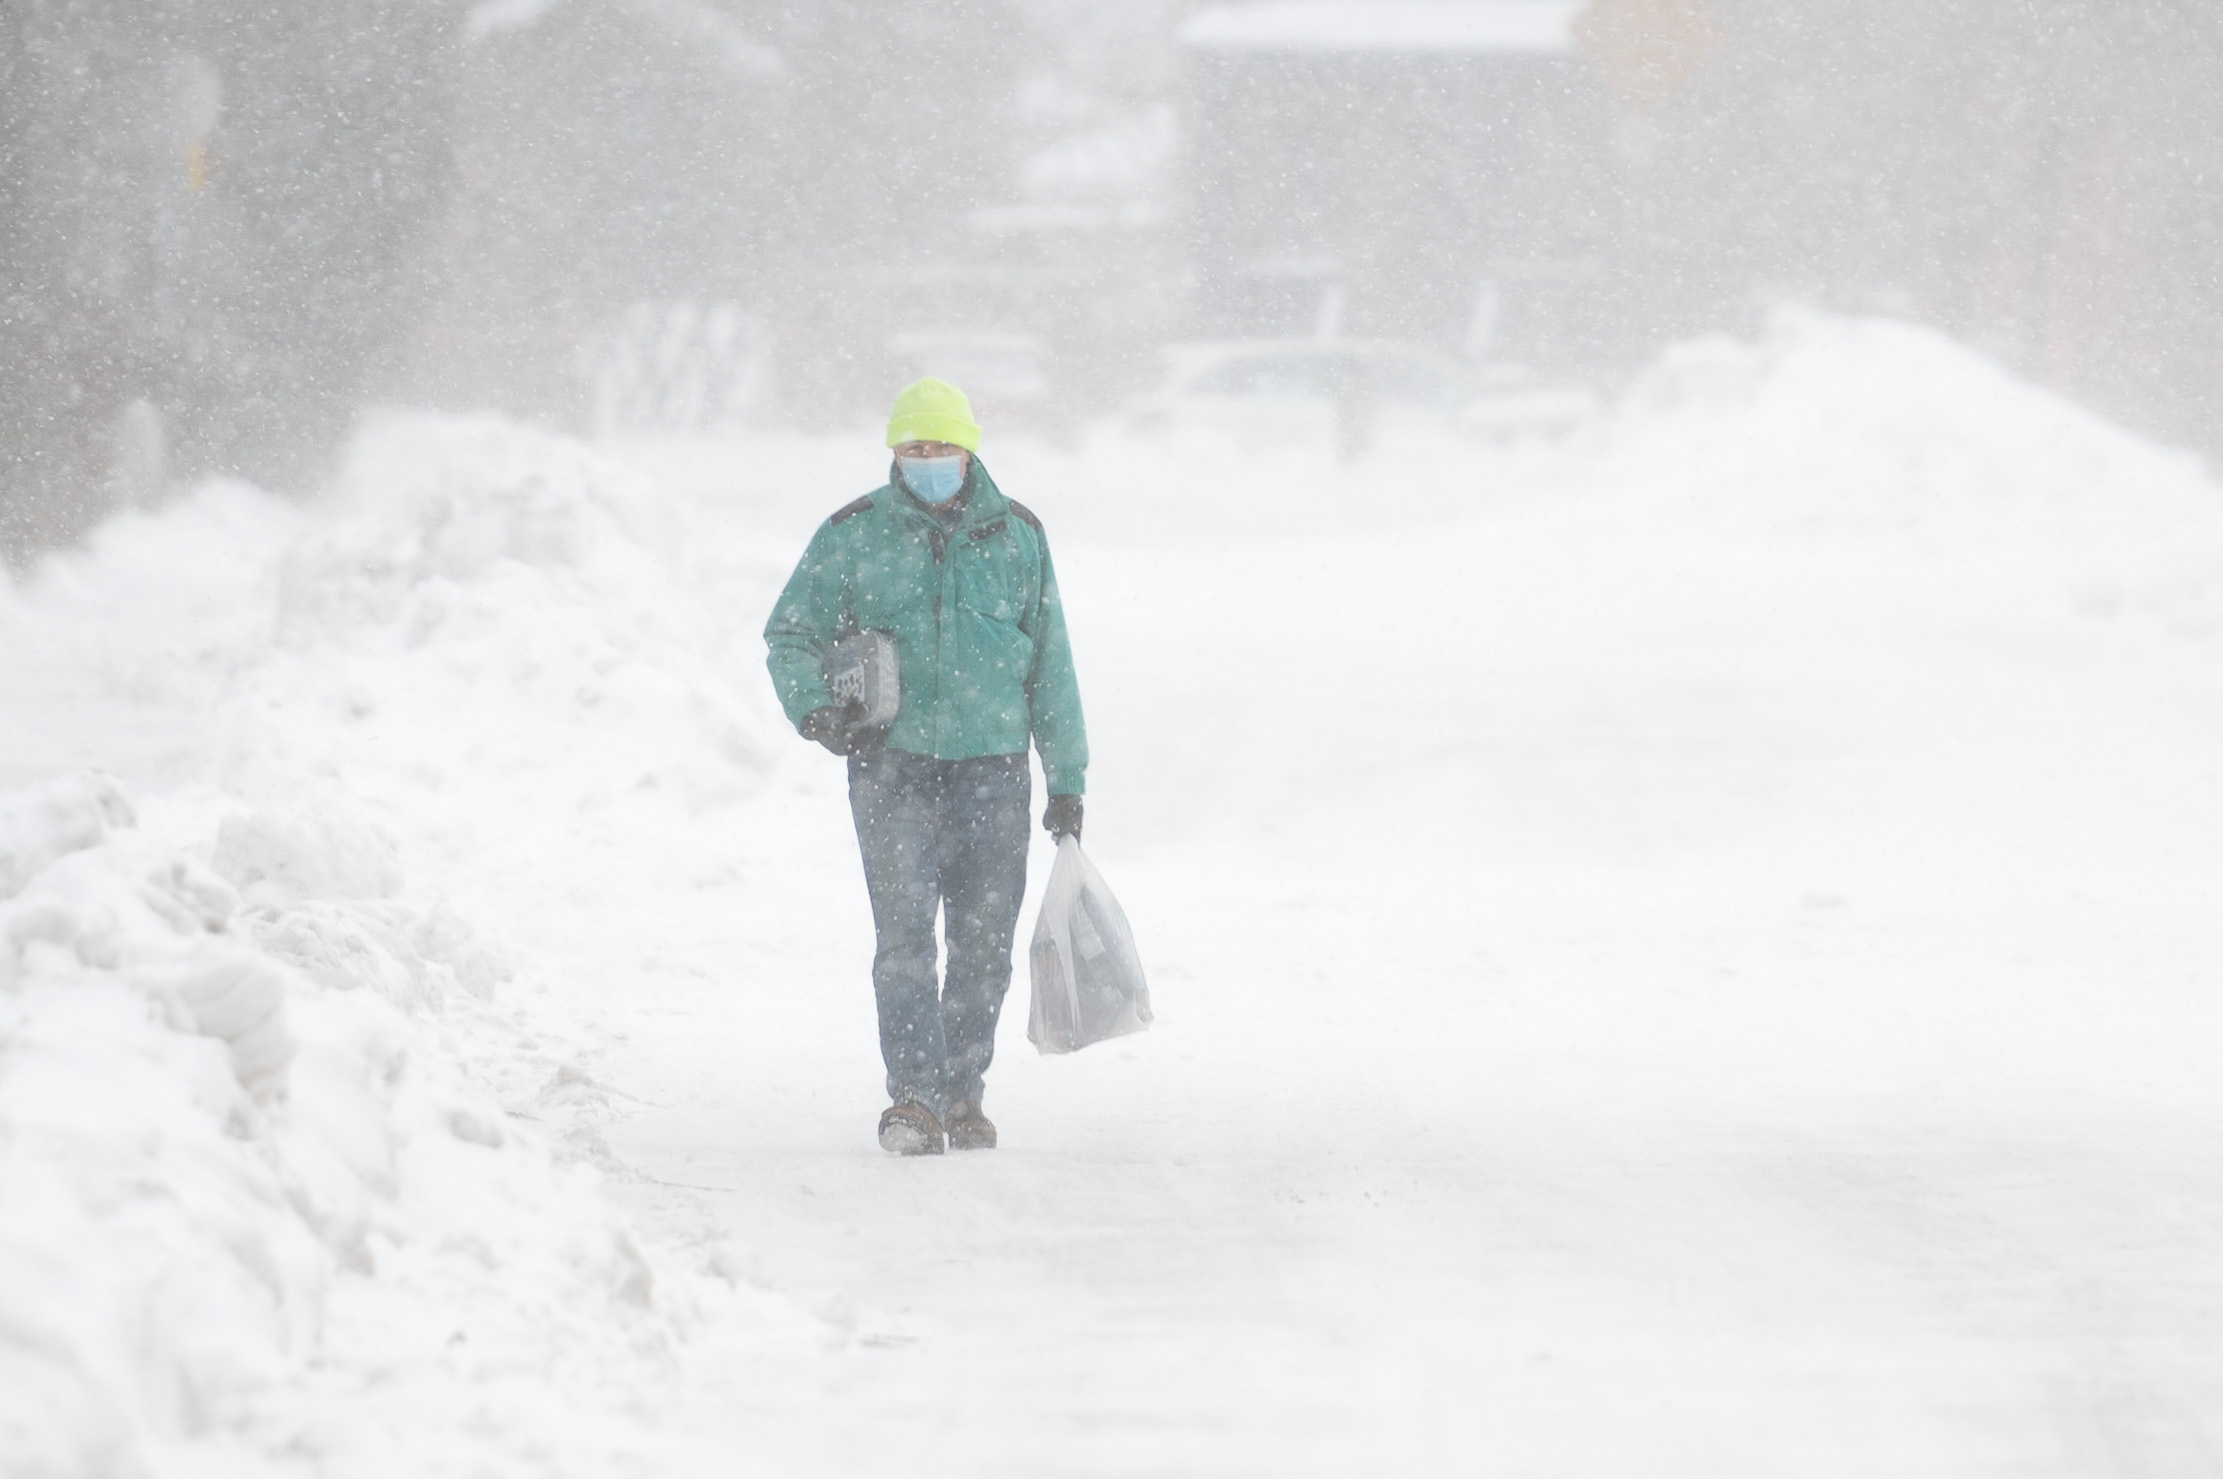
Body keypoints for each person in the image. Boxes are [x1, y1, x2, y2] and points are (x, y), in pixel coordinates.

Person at [764, 377, 1088, 1156]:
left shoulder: (1017, 537)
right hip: (891, 768)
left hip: (993, 771)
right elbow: (789, 632)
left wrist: (1066, 779)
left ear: (968, 449)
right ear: (895, 455)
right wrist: (815, 709)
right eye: (913, 448)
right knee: (904, 940)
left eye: (941, 446)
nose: (928, 459)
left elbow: (1051, 665)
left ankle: (961, 1090)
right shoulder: (852, 535)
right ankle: (912, 1097)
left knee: (982, 944)